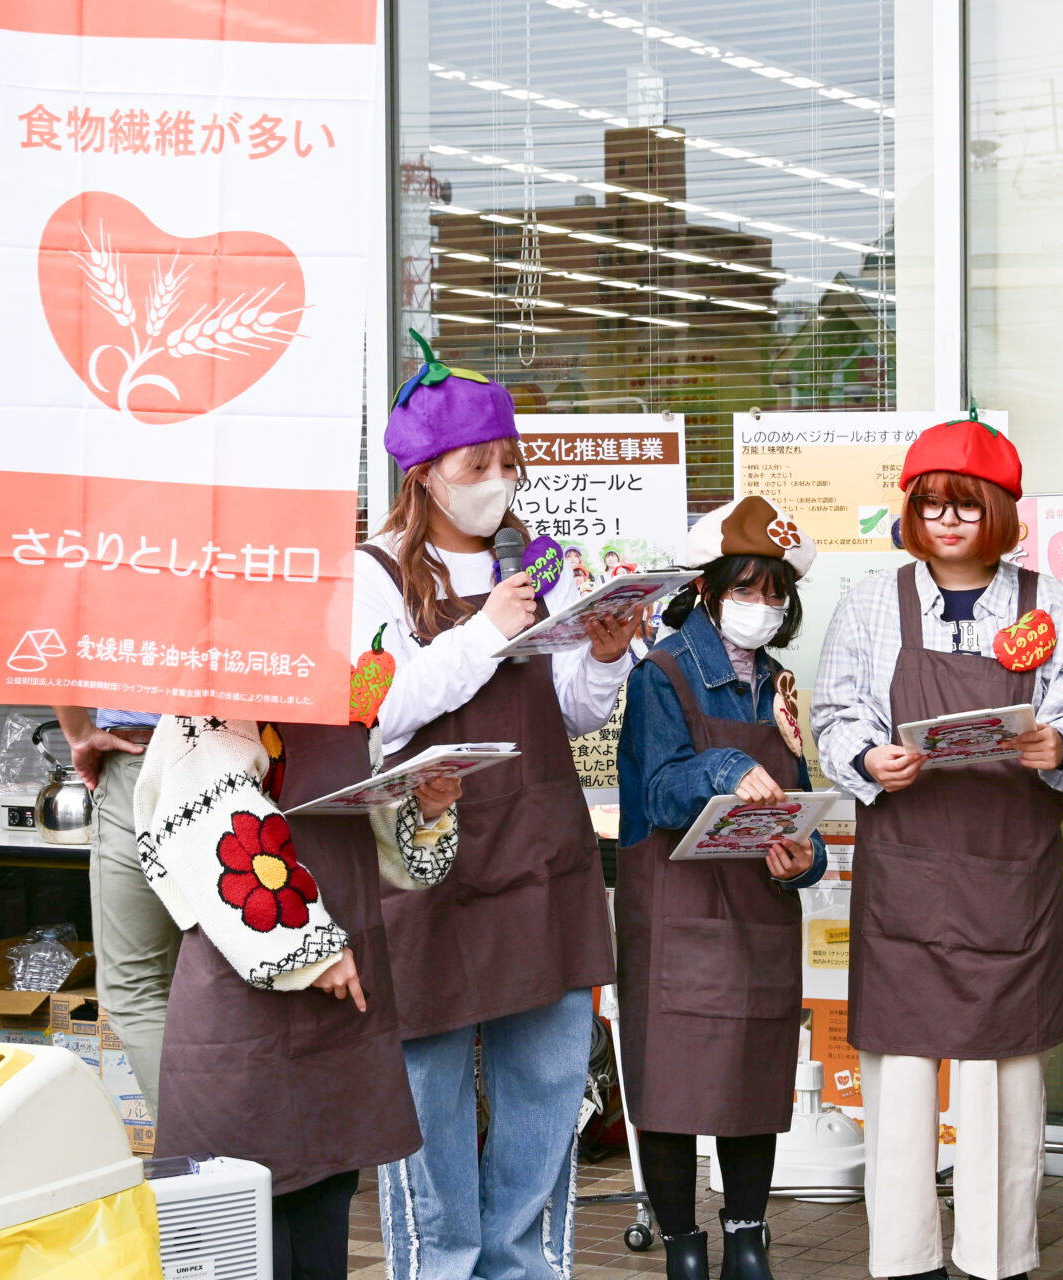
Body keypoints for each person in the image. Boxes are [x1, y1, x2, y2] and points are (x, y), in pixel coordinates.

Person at [363, 334, 639, 1280]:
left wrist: (601, 654)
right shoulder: (375, 576)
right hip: (427, 858)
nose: (501, 481)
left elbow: (569, 711)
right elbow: (383, 704)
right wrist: (486, 630)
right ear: (425, 475)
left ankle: (522, 1264)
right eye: (479, 465)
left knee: (549, 1082)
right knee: (427, 1094)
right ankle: (439, 1265)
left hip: (539, 853)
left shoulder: (540, 567)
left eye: (509, 462)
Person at [810, 418, 1063, 1280]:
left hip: (1008, 881)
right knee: (899, 1080)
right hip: (905, 874)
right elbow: (836, 716)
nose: (946, 522)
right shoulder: (873, 601)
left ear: (999, 513)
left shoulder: (1051, 604)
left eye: (964, 506)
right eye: (930, 505)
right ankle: (904, 1261)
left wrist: (1060, 745)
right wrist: (868, 757)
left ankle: (998, 1260)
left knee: (1001, 1080)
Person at [133, 713, 456, 1279]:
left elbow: (372, 817)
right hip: (247, 983)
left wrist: (425, 806)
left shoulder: (343, 694)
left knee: (327, 1193)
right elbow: (213, 824)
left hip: (341, 975)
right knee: (242, 1209)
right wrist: (310, 947)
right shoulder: (210, 704)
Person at [615, 496, 827, 1280]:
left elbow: (800, 802)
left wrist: (803, 860)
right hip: (677, 918)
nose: (762, 607)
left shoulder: (781, 687)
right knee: (670, 1083)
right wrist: (727, 768)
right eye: (747, 588)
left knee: (753, 1076)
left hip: (758, 915)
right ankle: (683, 1249)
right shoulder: (661, 675)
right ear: (707, 590)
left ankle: (746, 1239)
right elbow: (660, 791)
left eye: (775, 593)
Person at [50, 704, 179, 1119]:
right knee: (221, 975)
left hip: (141, 755)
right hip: (253, 755)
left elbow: (50, 645)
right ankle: (255, 1162)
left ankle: (201, 1164)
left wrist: (78, 732)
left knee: (135, 985)